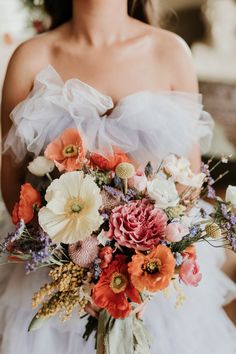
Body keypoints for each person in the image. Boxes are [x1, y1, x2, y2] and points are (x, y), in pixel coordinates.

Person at [0, 1, 235, 353]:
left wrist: (146, 280)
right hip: (54, 283)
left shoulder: (170, 52)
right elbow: (14, 187)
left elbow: (187, 180)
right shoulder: (30, 57)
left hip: (155, 287)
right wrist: (76, 275)